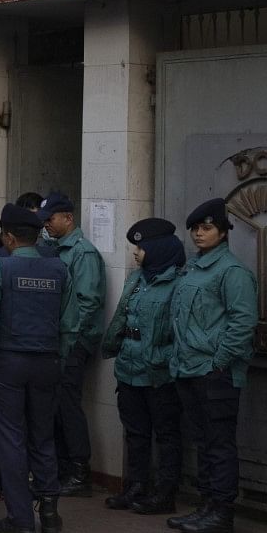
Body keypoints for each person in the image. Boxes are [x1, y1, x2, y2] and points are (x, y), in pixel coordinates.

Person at [0, 202, 67, 533]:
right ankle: (51, 513)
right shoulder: (60, 269)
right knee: (43, 435)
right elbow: (67, 321)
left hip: (7, 363)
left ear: (8, 237)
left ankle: (21, 519)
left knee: (11, 440)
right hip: (48, 362)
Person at [165, 199, 257, 533]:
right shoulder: (193, 267)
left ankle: (221, 512)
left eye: (206, 228)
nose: (199, 234)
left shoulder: (232, 272)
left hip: (214, 373)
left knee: (219, 444)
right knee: (204, 442)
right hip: (189, 369)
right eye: (195, 229)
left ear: (223, 232)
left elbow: (242, 323)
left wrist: (218, 363)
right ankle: (206, 506)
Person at [102, 218, 183, 515]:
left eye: (141, 246)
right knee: (135, 432)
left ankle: (165, 492)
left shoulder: (178, 283)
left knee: (166, 434)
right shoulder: (137, 279)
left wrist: (166, 360)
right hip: (129, 368)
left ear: (159, 248)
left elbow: (181, 332)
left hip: (159, 372)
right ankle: (136, 486)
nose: (136, 252)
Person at [36, 192, 106, 496]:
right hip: (55, 341)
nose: (47, 226)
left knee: (67, 405)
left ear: (68, 217)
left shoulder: (82, 253)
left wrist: (73, 340)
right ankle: (64, 468)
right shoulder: (51, 250)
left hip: (73, 342)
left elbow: (88, 302)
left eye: (50, 219)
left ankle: (79, 470)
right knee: (55, 407)